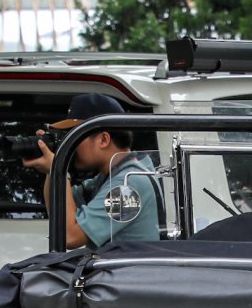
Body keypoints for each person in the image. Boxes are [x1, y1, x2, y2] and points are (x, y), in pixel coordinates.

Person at [21, 93, 160, 248]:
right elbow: (59, 206)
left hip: (129, 272)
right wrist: (52, 166)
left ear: (103, 140)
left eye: (76, 135)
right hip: (119, 271)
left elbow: (69, 237)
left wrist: (58, 169)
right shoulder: (112, 176)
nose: (70, 144)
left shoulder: (129, 186)